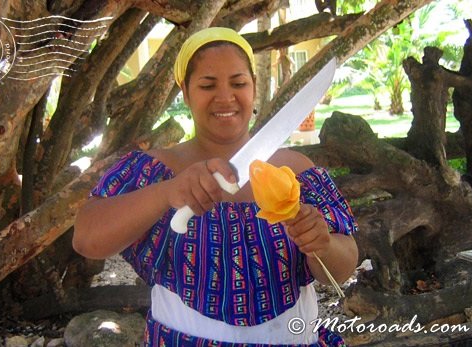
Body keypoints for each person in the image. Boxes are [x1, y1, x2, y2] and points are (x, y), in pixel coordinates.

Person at [73, 27, 358, 346]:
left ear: (254, 87)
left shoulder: (298, 171)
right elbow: (87, 240)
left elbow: (342, 267)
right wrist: (168, 192)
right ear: (185, 92)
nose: (225, 97)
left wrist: (322, 245)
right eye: (207, 85)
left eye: (239, 83)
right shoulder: (154, 171)